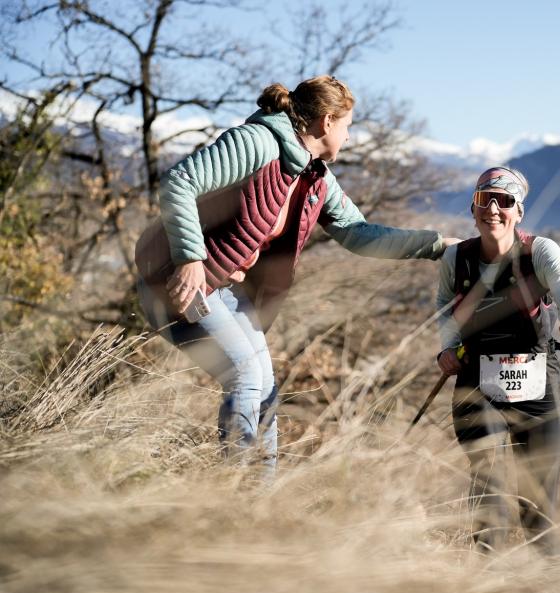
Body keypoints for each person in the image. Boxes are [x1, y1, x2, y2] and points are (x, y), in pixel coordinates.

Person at [134, 75, 456, 479]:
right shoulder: (257, 143)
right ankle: (233, 488)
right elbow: (179, 181)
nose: (349, 136)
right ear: (327, 121)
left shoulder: (315, 177)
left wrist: (438, 245)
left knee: (265, 386)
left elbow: (359, 233)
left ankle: (261, 492)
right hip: (174, 283)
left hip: (223, 289)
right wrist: (189, 258)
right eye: (348, 126)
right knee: (245, 376)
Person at [435, 166, 560, 555]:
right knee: (488, 486)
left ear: (518, 212)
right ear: (472, 209)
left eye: (504, 201)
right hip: (476, 381)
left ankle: (553, 584)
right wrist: (447, 348)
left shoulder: (540, 252)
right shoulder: (457, 258)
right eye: (483, 200)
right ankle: (486, 579)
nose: (493, 209)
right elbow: (443, 307)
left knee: (537, 506)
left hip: (538, 381)